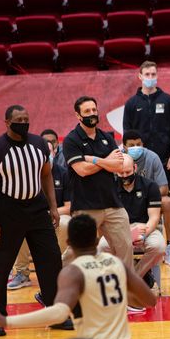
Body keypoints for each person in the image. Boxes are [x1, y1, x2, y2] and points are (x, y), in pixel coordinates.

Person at [0, 214, 157, 339]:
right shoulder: (117, 263)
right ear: (97, 239)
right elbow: (150, 300)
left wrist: (7, 321)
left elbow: (59, 313)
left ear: (68, 242)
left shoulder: (73, 272)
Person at [0, 105, 64, 337]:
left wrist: (53, 206)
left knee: (52, 259)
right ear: (7, 122)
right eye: (18, 119)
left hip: (37, 210)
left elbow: (46, 175)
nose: (23, 122)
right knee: (1, 266)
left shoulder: (39, 144)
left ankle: (56, 314)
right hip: (7, 211)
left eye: (26, 118)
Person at [123, 61, 170, 251]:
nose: (151, 78)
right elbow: (127, 132)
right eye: (147, 74)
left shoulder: (167, 100)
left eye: (154, 74)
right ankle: (135, 233)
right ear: (140, 76)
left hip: (166, 160)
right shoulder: (132, 104)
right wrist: (130, 157)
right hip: (140, 161)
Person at [63, 96, 134, 268]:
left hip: (112, 204)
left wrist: (95, 159)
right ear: (78, 116)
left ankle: (125, 289)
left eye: (94, 110)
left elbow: (119, 165)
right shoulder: (71, 140)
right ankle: (53, 286)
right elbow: (82, 170)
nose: (92, 114)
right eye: (87, 111)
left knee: (125, 248)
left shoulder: (106, 137)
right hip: (85, 207)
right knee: (75, 251)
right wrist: (106, 161)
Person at [8, 139, 72, 290]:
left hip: (58, 214)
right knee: (19, 223)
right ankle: (22, 273)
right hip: (33, 215)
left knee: (65, 223)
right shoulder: (24, 174)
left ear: (54, 153)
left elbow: (70, 207)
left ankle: (61, 269)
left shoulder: (63, 173)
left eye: (48, 152)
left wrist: (51, 212)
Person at [97, 161, 168, 280]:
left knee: (159, 246)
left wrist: (143, 236)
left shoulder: (150, 186)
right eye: (121, 172)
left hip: (145, 228)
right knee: (102, 246)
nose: (125, 176)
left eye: (128, 172)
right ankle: (125, 276)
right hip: (118, 229)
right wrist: (125, 233)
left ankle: (134, 278)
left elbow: (154, 217)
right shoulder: (109, 188)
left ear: (135, 168)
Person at [122, 130, 170, 266]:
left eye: (138, 144)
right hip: (124, 200)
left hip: (148, 201)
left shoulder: (152, 157)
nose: (136, 147)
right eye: (131, 145)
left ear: (143, 144)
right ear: (124, 147)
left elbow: (164, 188)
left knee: (168, 202)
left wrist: (145, 196)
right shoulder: (117, 158)